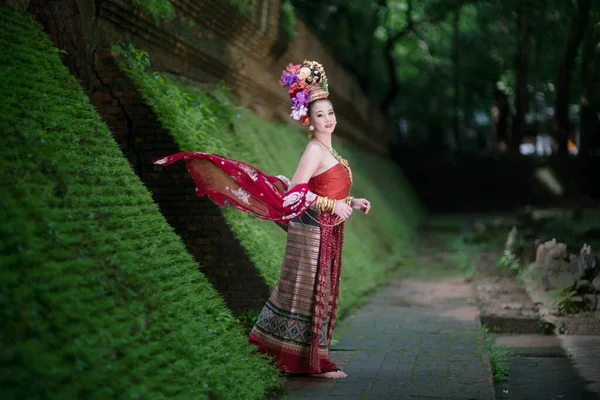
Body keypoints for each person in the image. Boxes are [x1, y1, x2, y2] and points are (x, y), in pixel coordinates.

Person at [153, 60, 370, 379]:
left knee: (312, 292)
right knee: (303, 291)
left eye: (331, 113)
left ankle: (292, 355)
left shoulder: (333, 154)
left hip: (326, 229)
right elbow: (296, 192)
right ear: (308, 121)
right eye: (320, 114)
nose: (328, 119)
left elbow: (325, 188)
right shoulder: (314, 150)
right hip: (310, 229)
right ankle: (306, 361)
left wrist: (351, 201)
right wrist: (332, 205)